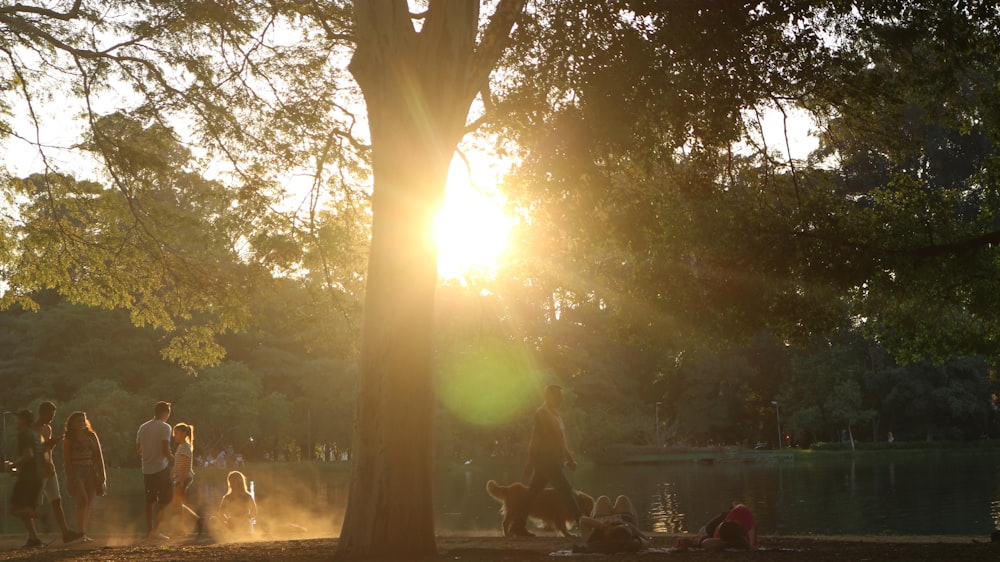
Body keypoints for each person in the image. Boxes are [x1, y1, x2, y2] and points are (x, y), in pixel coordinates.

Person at [508, 384, 583, 537]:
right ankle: (585, 525)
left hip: (555, 462)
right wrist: (529, 462)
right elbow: (534, 440)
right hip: (547, 462)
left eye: (561, 396)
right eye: (558, 396)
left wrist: (570, 459)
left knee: (532, 493)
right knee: (567, 491)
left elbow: (561, 442)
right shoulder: (542, 414)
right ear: (548, 396)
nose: (561, 399)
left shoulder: (557, 415)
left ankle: (517, 525)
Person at [33, 401, 85, 544]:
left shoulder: (47, 428)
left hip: (50, 470)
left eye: (53, 416)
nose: (51, 419)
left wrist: (51, 447)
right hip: (38, 472)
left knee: (57, 501)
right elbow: (35, 452)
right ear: (41, 413)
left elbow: (47, 451)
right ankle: (33, 536)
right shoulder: (33, 430)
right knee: (34, 505)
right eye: (49, 415)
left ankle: (65, 533)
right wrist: (49, 444)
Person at [63, 411, 107, 542]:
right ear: (72, 424)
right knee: (82, 500)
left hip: (90, 470)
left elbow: (99, 456)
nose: (82, 423)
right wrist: (70, 477)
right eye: (79, 421)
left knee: (88, 502)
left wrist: (102, 474)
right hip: (77, 471)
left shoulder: (92, 436)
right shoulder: (69, 438)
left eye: (83, 420)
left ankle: (83, 532)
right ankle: (80, 532)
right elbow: (66, 460)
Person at [137, 401, 174, 540]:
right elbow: (165, 449)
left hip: (146, 469)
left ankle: (150, 530)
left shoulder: (143, 427)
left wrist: (148, 455)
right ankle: (156, 530)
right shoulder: (165, 427)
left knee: (150, 501)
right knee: (164, 501)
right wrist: (174, 460)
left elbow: (139, 449)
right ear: (166, 413)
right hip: (161, 468)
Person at [9, 410, 46, 548]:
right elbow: (41, 456)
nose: (16, 421)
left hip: (27, 479)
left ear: (23, 420)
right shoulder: (36, 436)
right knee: (25, 509)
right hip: (37, 477)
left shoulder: (24, 434)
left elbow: (28, 455)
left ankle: (41, 516)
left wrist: (14, 464)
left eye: (18, 418)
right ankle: (34, 539)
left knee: (14, 509)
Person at [576, 495, 649, 553]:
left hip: (601, 520)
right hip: (625, 520)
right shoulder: (632, 542)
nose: (613, 524)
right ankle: (623, 525)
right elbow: (647, 542)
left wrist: (602, 526)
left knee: (603, 499)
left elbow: (583, 520)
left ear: (606, 534)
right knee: (622, 498)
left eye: (611, 528)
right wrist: (628, 526)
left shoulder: (594, 538)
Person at [170, 423, 204, 535]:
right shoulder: (181, 446)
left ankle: (181, 529)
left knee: (177, 504)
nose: (174, 436)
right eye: (174, 434)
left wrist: (181, 480)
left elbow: (185, 466)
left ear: (184, 434)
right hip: (181, 477)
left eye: (176, 433)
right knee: (177, 503)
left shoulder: (185, 447)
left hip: (184, 477)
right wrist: (174, 471)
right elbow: (179, 463)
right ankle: (197, 520)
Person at [681, 502, 758, 551]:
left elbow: (751, 546)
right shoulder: (720, 530)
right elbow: (705, 543)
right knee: (702, 535)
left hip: (732, 522)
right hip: (715, 530)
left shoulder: (746, 521)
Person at [218, 470, 258, 539]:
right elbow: (221, 513)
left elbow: (254, 511)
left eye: (234, 481)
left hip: (243, 523)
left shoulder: (246, 496)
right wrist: (227, 521)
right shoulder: (228, 497)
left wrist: (246, 518)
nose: (233, 483)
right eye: (232, 481)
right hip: (233, 524)